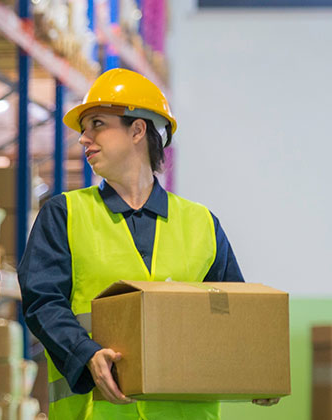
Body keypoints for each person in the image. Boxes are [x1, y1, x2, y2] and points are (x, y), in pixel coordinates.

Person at [19, 68, 281, 420]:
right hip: (97, 412)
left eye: (97, 124)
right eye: (84, 129)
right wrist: (84, 353)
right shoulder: (64, 214)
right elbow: (42, 302)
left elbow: (231, 317)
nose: (83, 138)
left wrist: (257, 371)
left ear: (138, 130)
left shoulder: (201, 223)